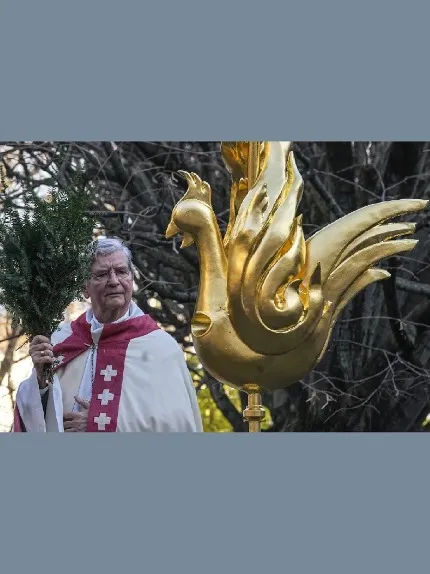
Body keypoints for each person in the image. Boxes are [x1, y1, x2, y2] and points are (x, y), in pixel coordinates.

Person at [13, 237, 203, 432]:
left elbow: (177, 425)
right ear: (85, 288)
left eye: (121, 272)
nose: (114, 281)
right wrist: (40, 381)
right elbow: (33, 417)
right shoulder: (62, 339)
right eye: (102, 274)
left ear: (132, 279)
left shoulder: (161, 348)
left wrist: (102, 423)